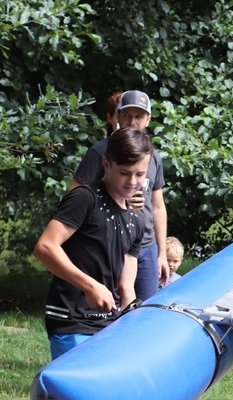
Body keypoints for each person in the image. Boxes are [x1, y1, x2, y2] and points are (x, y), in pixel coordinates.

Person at [34, 127, 162, 400]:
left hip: (111, 323)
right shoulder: (84, 198)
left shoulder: (137, 210)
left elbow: (129, 257)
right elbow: (46, 248)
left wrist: (127, 293)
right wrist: (88, 284)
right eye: (125, 172)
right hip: (71, 319)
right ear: (105, 164)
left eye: (140, 174)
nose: (132, 181)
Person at [69, 90, 170, 300]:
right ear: (118, 116)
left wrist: (161, 253)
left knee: (146, 312)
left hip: (145, 247)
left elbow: (158, 207)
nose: (133, 121)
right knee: (111, 315)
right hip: (109, 246)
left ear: (148, 119)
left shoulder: (155, 157)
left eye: (139, 116)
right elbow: (74, 196)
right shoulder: (100, 153)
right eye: (127, 115)